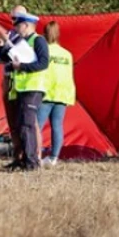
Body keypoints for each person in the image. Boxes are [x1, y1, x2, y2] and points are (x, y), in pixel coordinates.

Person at [0, 12, 49, 171]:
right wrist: (1, 47)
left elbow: (43, 63)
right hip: (20, 88)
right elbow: (6, 59)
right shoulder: (19, 41)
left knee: (27, 125)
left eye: (17, 25)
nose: (15, 28)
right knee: (20, 125)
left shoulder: (38, 41)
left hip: (33, 88)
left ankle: (32, 163)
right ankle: (23, 159)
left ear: (26, 25)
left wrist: (22, 67)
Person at [38, 21, 75, 167]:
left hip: (46, 92)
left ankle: (35, 155)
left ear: (44, 34)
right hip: (63, 93)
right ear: (58, 34)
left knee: (37, 126)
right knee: (57, 126)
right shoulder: (67, 54)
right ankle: (54, 158)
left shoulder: (43, 51)